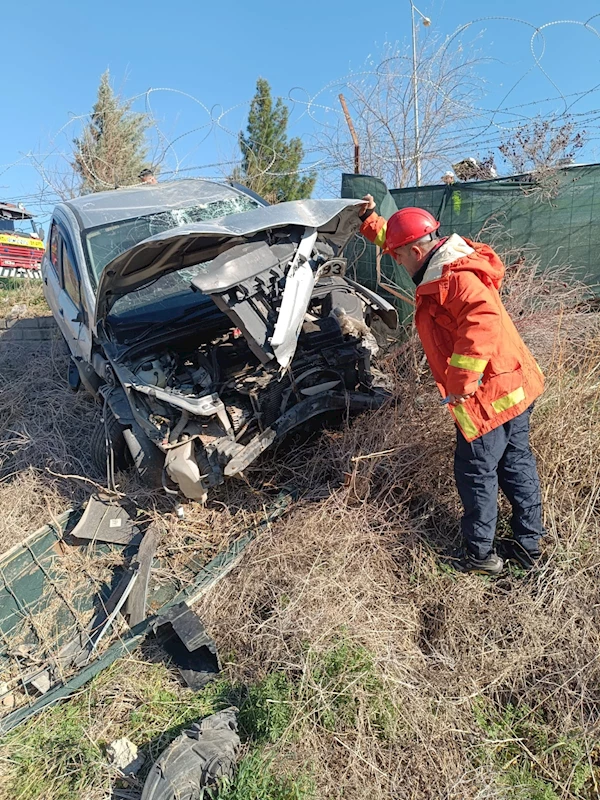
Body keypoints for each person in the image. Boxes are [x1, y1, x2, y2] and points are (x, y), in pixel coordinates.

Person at [358, 195, 545, 575]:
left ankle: (479, 556)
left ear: (416, 251)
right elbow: (396, 239)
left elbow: (483, 320)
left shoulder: (453, 277)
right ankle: (529, 545)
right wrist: (370, 221)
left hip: (486, 394)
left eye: (397, 256)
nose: (394, 261)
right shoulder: (443, 257)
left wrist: (462, 380)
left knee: (476, 472)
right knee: (515, 462)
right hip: (512, 383)